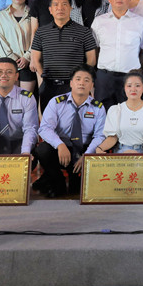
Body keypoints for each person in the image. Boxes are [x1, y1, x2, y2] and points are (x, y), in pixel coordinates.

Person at [34, 65, 106, 197]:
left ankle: (74, 179)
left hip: (84, 150)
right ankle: (58, 181)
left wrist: (88, 155)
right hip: (62, 149)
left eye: (86, 80)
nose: (82, 83)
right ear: (71, 83)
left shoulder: (98, 108)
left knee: (77, 190)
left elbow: (100, 136)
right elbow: (44, 128)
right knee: (43, 150)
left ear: (92, 85)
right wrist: (60, 145)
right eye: (78, 79)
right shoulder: (56, 102)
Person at [29, 0, 97, 112]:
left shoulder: (84, 31)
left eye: (64, 4)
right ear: (50, 10)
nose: (60, 8)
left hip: (74, 87)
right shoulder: (41, 32)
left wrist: (80, 79)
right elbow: (36, 59)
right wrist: (44, 78)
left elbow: (91, 59)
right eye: (56, 5)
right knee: (49, 119)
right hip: (49, 85)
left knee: (75, 118)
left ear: (71, 8)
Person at [90, 0, 143, 107]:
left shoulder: (140, 22)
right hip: (104, 78)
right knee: (103, 114)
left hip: (130, 78)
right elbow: (95, 48)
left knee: (130, 113)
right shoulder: (99, 21)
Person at [95, 71, 143, 154]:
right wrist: (100, 148)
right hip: (121, 151)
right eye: (129, 86)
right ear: (124, 88)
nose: (133, 89)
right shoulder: (116, 110)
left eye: (137, 86)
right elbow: (113, 137)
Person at [0, 0, 36, 94]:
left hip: (28, 64)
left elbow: (36, 37)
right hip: (8, 64)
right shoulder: (1, 16)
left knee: (26, 99)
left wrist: (27, 57)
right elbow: (0, 41)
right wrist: (13, 59)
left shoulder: (33, 14)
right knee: (11, 99)